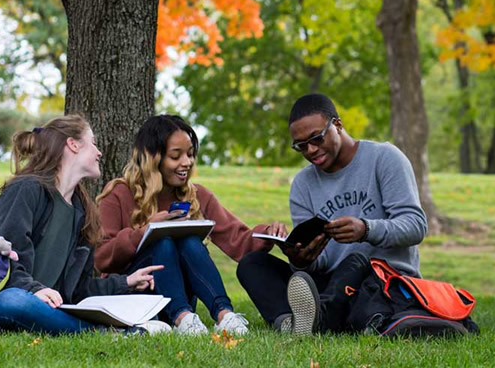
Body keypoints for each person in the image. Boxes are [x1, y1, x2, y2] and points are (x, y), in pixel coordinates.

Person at [236, 93, 428, 335]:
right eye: (301, 146)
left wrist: (365, 229)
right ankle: (289, 323)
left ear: (337, 125)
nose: (311, 150)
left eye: (316, 138)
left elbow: (416, 226)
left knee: (356, 260)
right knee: (252, 264)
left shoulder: (385, 158)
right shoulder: (303, 184)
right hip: (332, 284)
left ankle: (319, 320)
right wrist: (301, 258)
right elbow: (320, 263)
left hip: (381, 280)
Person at [0, 115, 167, 335]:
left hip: (48, 308)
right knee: (15, 301)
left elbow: (78, 291)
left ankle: (106, 327)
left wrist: (126, 282)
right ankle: (108, 332)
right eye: (93, 143)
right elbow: (2, 262)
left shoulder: (82, 212)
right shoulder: (27, 190)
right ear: (73, 144)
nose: (99, 152)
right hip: (3, 298)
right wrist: (34, 290)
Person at [95, 115, 285, 336]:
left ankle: (225, 315)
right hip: (135, 299)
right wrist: (144, 232)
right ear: (153, 158)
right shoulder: (119, 194)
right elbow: (101, 258)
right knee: (162, 242)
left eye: (190, 154)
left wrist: (269, 234)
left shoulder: (197, 195)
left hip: (180, 299)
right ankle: (182, 318)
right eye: (176, 156)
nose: (186, 162)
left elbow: (238, 240)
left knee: (189, 240)